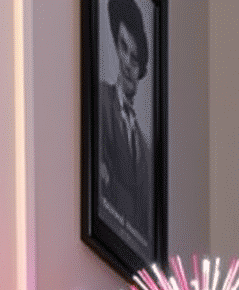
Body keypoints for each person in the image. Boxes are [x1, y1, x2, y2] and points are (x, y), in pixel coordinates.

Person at [98, 0, 152, 256]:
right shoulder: (100, 100)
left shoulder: (145, 148)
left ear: (142, 66)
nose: (129, 65)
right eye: (123, 49)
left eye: (136, 57)